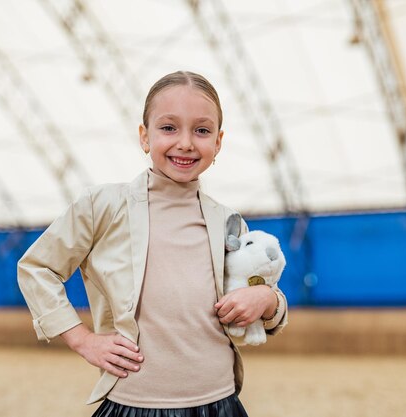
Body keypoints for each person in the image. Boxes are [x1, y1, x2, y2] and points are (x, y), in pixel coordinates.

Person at [17, 70, 288, 417]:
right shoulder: (102, 206)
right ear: (144, 137)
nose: (186, 143)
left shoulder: (229, 222)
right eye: (169, 128)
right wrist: (82, 339)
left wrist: (266, 298)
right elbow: (37, 268)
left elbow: (257, 308)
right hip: (135, 404)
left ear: (218, 143)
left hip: (219, 404)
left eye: (202, 130)